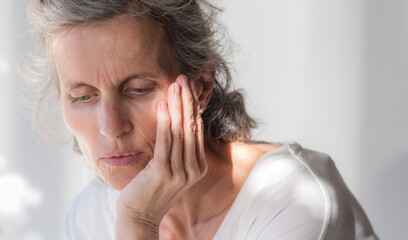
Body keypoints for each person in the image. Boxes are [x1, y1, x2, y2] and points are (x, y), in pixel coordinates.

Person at [24, 0, 378, 239]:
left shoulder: (296, 202)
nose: (112, 126)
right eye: (83, 96)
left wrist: (139, 223)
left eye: (137, 89)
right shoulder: (90, 216)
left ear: (202, 86)